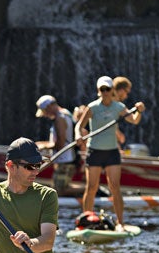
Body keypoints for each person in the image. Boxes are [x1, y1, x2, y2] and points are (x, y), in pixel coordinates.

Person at [74, 76, 145, 229]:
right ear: (98, 91)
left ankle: (121, 223)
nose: (105, 92)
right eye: (102, 89)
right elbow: (79, 126)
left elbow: (134, 120)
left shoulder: (119, 107)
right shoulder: (92, 107)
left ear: (112, 90)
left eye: (108, 89)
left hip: (111, 152)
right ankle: (87, 221)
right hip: (95, 151)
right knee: (92, 187)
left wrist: (139, 111)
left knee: (115, 187)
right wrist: (78, 135)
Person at [34, 95, 78, 195]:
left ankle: (94, 190)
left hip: (65, 160)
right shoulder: (65, 113)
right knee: (58, 187)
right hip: (66, 159)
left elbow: (60, 143)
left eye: (45, 111)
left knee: (58, 190)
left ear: (49, 106)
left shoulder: (60, 118)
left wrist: (44, 146)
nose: (45, 115)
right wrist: (43, 143)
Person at [112, 76, 133, 146]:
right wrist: (118, 134)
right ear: (121, 90)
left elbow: (133, 119)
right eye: (126, 92)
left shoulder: (119, 106)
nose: (126, 96)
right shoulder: (108, 104)